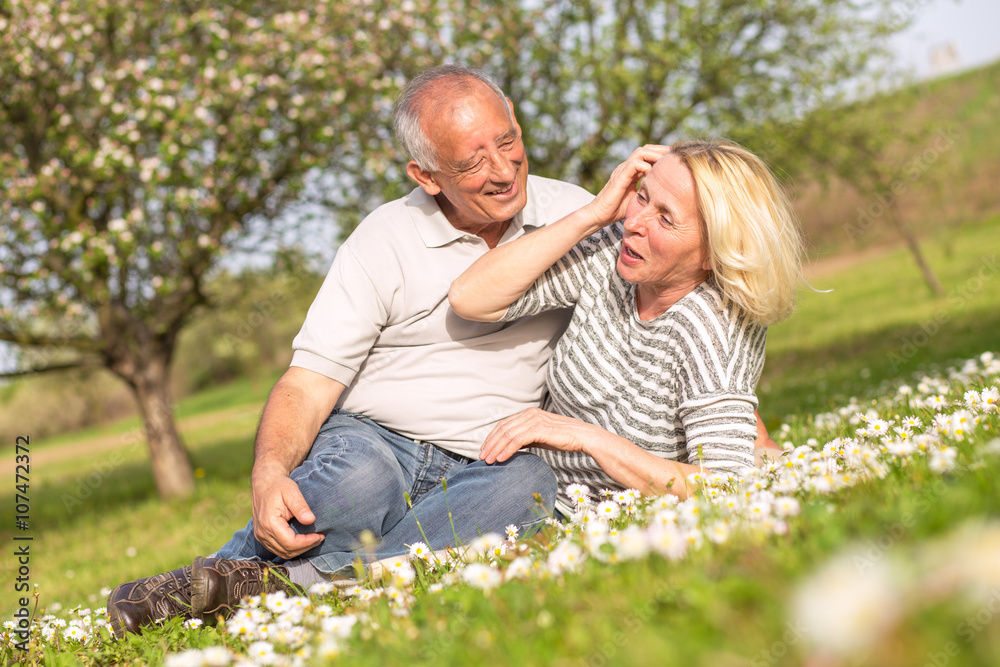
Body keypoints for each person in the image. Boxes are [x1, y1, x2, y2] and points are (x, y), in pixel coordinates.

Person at [107, 68, 777, 636]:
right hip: (382, 439)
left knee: (527, 488)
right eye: (472, 161)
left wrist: (744, 423)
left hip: (499, 459)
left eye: (508, 142)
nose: (503, 170)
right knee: (354, 483)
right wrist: (267, 471)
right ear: (425, 175)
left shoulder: (587, 219)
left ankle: (278, 590)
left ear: (517, 123)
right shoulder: (391, 238)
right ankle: (201, 587)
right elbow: (314, 377)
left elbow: (701, 349)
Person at [449, 141, 800, 515]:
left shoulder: (711, 333)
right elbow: (470, 298)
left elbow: (725, 486)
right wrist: (594, 214)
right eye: (642, 196)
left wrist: (586, 438)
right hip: (522, 480)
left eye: (665, 218)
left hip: (590, 519)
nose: (634, 223)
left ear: (714, 252)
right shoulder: (615, 249)